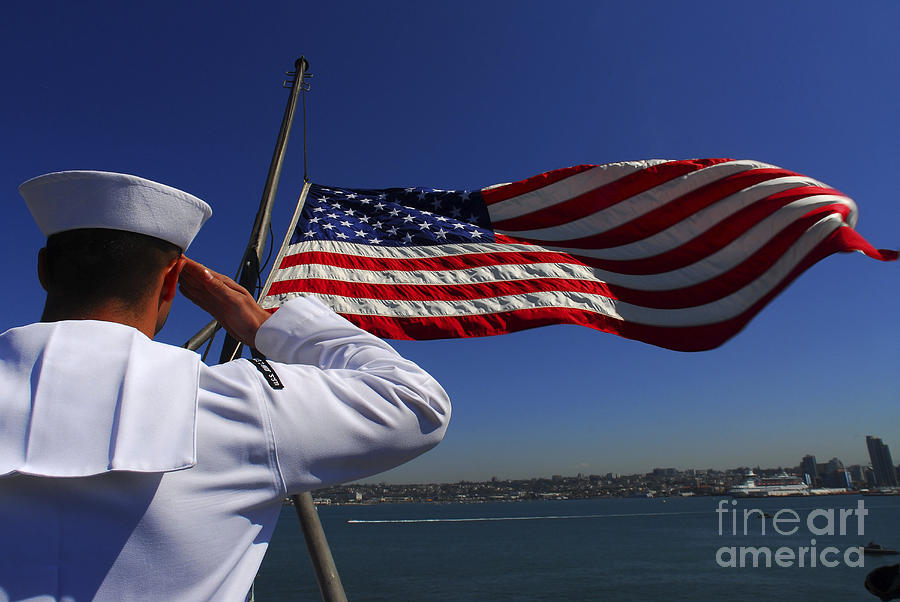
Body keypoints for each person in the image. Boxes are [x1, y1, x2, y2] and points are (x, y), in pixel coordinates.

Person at [0, 170, 451, 600]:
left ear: (43, 269)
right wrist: (262, 326)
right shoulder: (238, 406)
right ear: (172, 281)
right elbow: (418, 402)